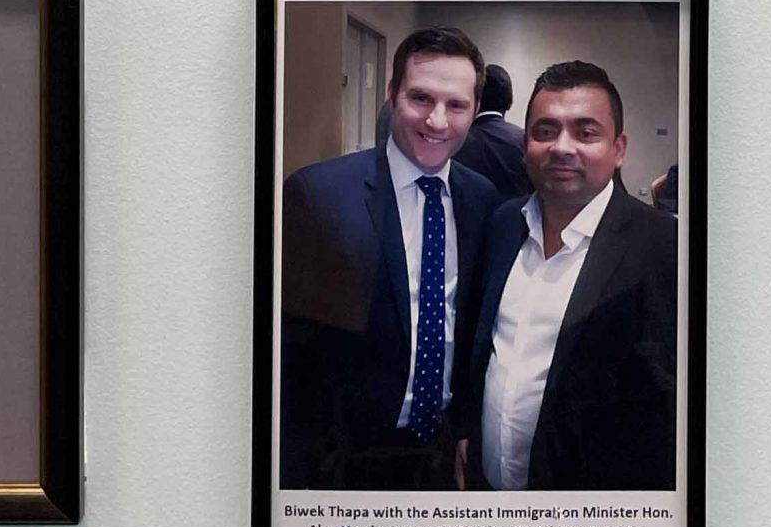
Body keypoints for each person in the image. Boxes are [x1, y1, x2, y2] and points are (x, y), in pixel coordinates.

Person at [279, 27, 503, 490]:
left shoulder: (483, 201)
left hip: (441, 459)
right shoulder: (318, 195)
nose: (437, 121)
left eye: (456, 105)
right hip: (342, 464)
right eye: (421, 98)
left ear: (475, 108)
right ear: (392, 93)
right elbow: (287, 355)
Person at [455, 62, 677, 493]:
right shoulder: (503, 224)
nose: (562, 147)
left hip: (588, 511)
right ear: (525, 145)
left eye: (585, 132)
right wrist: (467, 427)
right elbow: (480, 344)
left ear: (618, 148)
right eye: (545, 131)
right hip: (486, 495)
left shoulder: (663, 247)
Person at [454, 63, 532, 201]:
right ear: (510, 102)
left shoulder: (455, 142)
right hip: (517, 214)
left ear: (475, 102)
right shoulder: (525, 141)